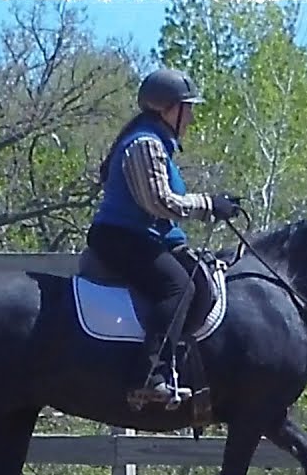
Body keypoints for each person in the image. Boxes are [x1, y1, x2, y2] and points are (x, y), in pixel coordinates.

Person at [87, 68, 243, 404]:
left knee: (198, 277)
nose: (192, 116)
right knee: (177, 287)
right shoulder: (145, 144)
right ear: (167, 109)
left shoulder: (157, 142)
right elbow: (159, 202)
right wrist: (208, 205)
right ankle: (149, 375)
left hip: (139, 236)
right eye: (188, 108)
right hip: (120, 237)